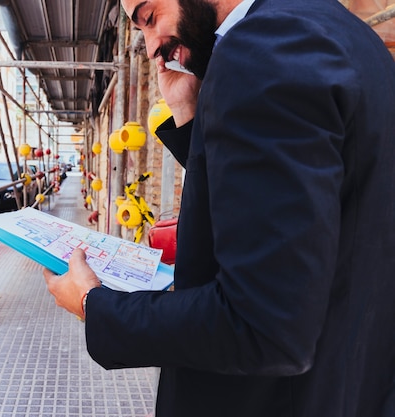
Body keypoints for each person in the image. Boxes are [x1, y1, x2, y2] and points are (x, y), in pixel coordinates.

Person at [43, 0, 395, 415]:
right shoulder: (350, 37)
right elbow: (281, 202)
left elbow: (262, 326)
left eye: (150, 17)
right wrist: (189, 114)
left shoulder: (262, 49)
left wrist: (95, 305)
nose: (152, 46)